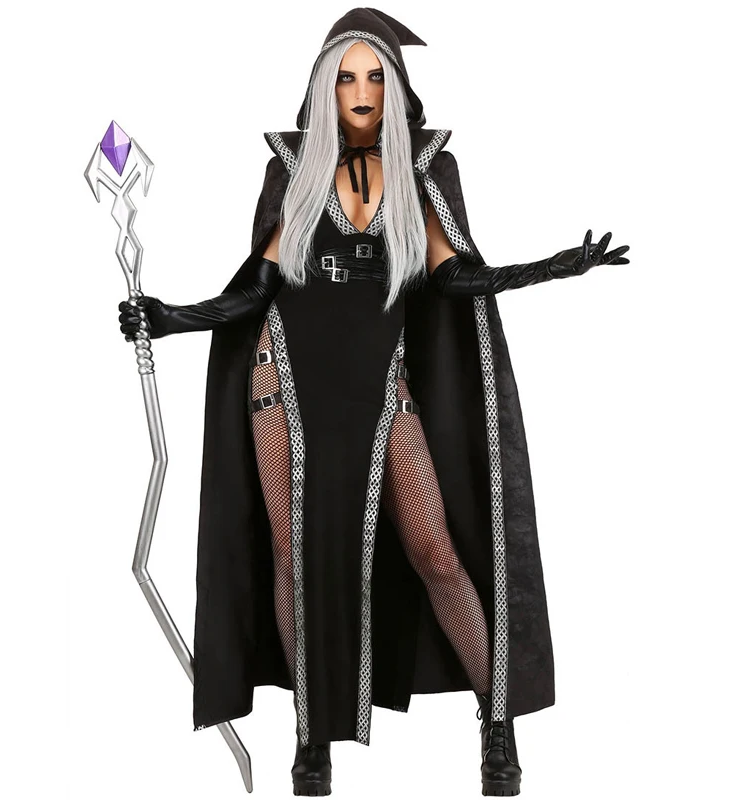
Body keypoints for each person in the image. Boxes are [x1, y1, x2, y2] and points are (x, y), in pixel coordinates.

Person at [118, 8, 629, 797]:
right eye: (346, 78)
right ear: (324, 90)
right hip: (284, 382)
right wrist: (169, 316)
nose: (360, 91)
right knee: (292, 557)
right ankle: (310, 735)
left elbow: (453, 277)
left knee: (436, 552)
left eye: (375, 77)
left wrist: (548, 268)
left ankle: (497, 724)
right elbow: (256, 289)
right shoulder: (296, 171)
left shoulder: (424, 171)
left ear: (397, 89)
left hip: (383, 386)